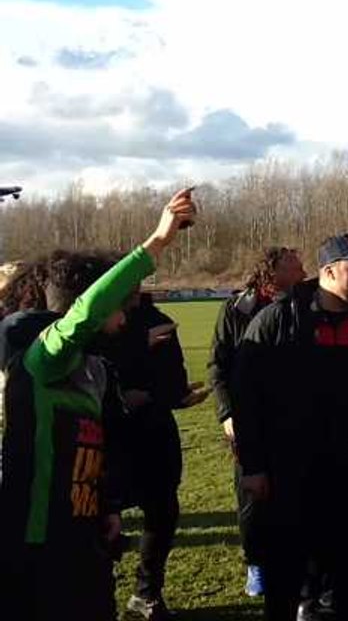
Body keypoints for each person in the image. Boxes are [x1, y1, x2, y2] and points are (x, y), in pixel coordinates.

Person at [0, 188, 196, 621]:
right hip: (35, 545)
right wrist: (158, 240)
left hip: (83, 537)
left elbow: (89, 451)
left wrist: (104, 508)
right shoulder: (42, 360)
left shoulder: (95, 370)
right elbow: (87, 313)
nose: (126, 315)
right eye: (120, 305)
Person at [232, 232, 348, 621]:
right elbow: (245, 396)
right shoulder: (276, 321)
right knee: (285, 582)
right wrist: (252, 467)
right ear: (327, 271)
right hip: (289, 477)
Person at [206, 246, 305, 596]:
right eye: (295, 267)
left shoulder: (303, 308)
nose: (303, 273)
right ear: (273, 271)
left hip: (292, 422)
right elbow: (217, 366)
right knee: (251, 497)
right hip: (248, 420)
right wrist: (227, 413)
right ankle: (256, 564)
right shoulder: (237, 309)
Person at [107, 291, 209, 621]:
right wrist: (121, 396)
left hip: (153, 429)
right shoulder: (94, 323)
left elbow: (172, 378)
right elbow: (89, 367)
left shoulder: (159, 321)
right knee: (102, 514)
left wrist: (172, 397)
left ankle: (147, 591)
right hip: (108, 434)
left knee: (162, 509)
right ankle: (100, 592)